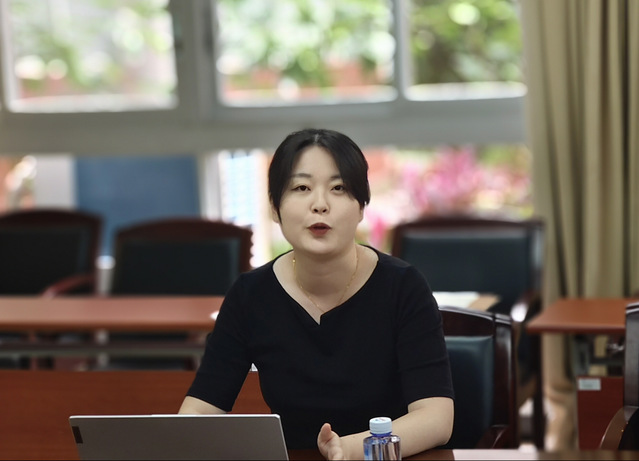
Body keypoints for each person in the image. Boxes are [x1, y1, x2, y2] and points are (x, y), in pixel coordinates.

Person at [179, 128, 454, 460]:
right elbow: (201, 408)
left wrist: (351, 449)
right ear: (274, 207)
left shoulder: (403, 287)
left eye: (339, 188)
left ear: (361, 207)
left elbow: (436, 419)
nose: (320, 205)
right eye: (301, 188)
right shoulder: (250, 295)